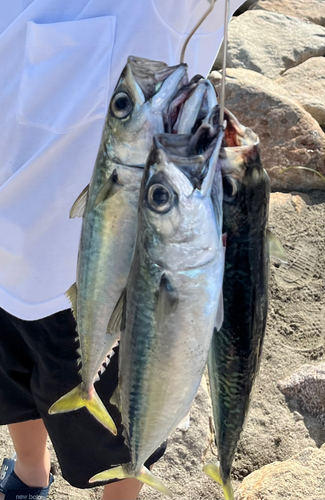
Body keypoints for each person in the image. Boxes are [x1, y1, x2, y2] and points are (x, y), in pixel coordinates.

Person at [0, 1, 245, 499]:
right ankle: (29, 475)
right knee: (13, 395)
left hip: (90, 294)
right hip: (5, 264)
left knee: (118, 441)